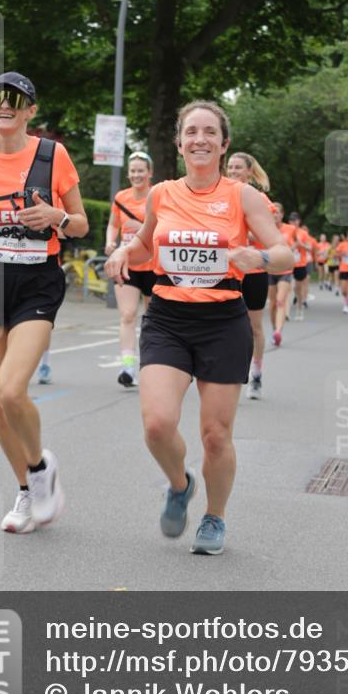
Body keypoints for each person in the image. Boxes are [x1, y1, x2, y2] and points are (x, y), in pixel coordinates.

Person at [105, 100, 292, 555]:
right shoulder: (162, 194)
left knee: (215, 434)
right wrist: (123, 253)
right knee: (157, 425)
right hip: (168, 317)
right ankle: (179, 483)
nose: (200, 139)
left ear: (224, 144)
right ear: (180, 142)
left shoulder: (243, 196)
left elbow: (285, 253)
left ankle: (214, 517)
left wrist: (260, 258)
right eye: (192, 132)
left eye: (210, 132)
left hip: (222, 322)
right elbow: (146, 244)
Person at [0, 72, 88, 534]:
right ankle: (28, 490)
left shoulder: (52, 156)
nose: (5, 105)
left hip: (36, 281)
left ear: (30, 110)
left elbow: (81, 224)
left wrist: (57, 216)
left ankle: (40, 467)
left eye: (17, 99)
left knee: (11, 390)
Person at [105, 151, 155, 387]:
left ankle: (152, 366)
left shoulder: (158, 196)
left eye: (140, 170)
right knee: (126, 315)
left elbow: (165, 227)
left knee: (153, 318)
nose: (136, 174)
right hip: (128, 265)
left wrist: (141, 226)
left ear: (149, 173)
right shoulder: (121, 197)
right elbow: (113, 224)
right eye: (133, 170)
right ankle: (128, 367)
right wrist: (109, 242)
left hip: (154, 265)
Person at [226, 152, 273, 400]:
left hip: (253, 270)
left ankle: (256, 372)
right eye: (230, 167)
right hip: (228, 271)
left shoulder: (259, 199)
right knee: (230, 325)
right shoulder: (219, 197)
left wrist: (244, 232)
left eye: (238, 168)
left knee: (254, 327)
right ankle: (233, 374)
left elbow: (269, 236)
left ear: (248, 172)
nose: (233, 171)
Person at [268, 202, 297, 344]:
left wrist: (291, 249)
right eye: (273, 212)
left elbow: (296, 242)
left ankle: (278, 331)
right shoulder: (265, 229)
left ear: (282, 214)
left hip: (285, 269)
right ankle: (274, 329)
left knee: (280, 301)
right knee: (272, 303)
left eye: (278, 212)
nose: (275, 214)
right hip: (269, 269)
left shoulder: (291, 229)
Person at [290, 214, 312, 321]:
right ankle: (284, 311)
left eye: (295, 220)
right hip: (288, 264)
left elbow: (309, 248)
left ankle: (299, 307)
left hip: (300, 264)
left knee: (297, 288)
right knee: (287, 286)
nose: (293, 223)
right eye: (291, 221)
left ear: (299, 221)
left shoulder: (303, 233)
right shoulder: (286, 231)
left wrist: (300, 244)